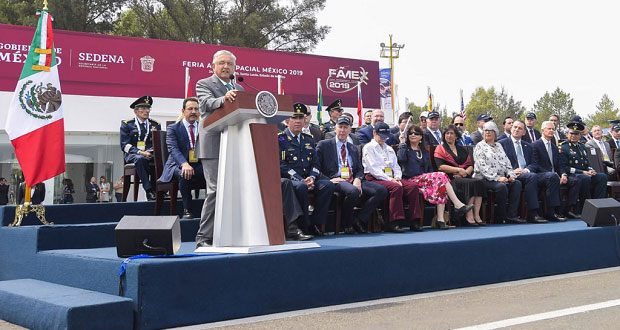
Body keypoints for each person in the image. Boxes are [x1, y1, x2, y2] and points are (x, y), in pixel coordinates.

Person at [194, 50, 245, 248]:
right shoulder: (204, 84)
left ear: (234, 68)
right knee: (214, 191)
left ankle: (229, 234)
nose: (226, 67)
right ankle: (203, 238)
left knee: (235, 190)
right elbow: (206, 104)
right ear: (213, 66)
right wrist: (225, 98)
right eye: (222, 63)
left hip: (235, 145)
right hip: (213, 144)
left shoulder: (238, 86)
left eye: (229, 64)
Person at [317, 116, 387, 234]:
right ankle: (347, 223)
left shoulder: (353, 148)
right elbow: (316, 167)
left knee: (381, 191)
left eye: (346, 128)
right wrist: (329, 179)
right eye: (340, 127)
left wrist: (358, 179)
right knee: (353, 191)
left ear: (350, 130)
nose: (343, 130)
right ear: (335, 128)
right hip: (336, 179)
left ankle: (359, 219)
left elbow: (359, 168)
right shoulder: (324, 145)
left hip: (353, 179)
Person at [397, 125, 474, 227]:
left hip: (424, 179)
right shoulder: (405, 149)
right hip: (411, 179)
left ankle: (441, 219)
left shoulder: (424, 151)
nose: (413, 135)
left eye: (416, 133)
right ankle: (457, 205)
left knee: (440, 181)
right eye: (410, 133)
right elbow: (401, 159)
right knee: (441, 176)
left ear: (421, 137)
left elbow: (429, 169)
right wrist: (402, 143)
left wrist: (431, 176)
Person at [279, 103, 335, 236]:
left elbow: (315, 163)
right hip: (290, 179)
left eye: (301, 118)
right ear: (288, 121)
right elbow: (281, 165)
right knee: (300, 187)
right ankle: (303, 225)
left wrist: (312, 177)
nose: (298, 121)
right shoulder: (280, 139)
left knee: (328, 185)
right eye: (294, 118)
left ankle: (316, 223)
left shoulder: (308, 139)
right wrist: (300, 179)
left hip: (308, 178)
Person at [362, 123, 422, 231]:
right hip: (375, 178)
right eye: (381, 136)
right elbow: (373, 169)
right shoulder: (368, 148)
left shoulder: (389, 148)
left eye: (385, 136)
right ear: (374, 133)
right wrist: (391, 180)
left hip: (392, 177)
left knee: (412, 186)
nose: (384, 138)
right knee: (396, 187)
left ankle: (415, 220)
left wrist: (398, 177)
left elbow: (396, 166)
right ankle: (394, 221)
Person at [498, 120, 555, 223]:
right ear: (511, 129)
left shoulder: (528, 145)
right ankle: (533, 214)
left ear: (524, 132)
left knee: (552, 176)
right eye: (515, 127)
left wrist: (526, 170)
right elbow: (499, 163)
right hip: (512, 174)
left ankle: (553, 212)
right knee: (531, 177)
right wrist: (512, 171)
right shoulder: (502, 144)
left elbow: (534, 163)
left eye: (520, 128)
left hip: (527, 173)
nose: (516, 129)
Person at [158, 97, 206, 219]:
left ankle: (211, 211)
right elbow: (173, 149)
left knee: (214, 173)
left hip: (198, 163)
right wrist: (184, 163)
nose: (194, 112)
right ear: (183, 111)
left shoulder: (204, 128)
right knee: (184, 173)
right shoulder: (173, 128)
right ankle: (187, 209)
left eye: (196, 109)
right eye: (190, 109)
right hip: (177, 165)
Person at [435, 125, 485, 225]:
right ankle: (469, 215)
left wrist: (464, 173)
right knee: (471, 184)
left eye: (451, 133)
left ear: (456, 136)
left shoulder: (461, 149)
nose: (449, 135)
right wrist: (458, 170)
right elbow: (440, 167)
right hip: (449, 179)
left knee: (479, 182)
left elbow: (470, 165)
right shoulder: (440, 148)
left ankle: (477, 215)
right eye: (447, 133)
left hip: (463, 176)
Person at [473, 121, 523, 223]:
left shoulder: (499, 146)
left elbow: (507, 163)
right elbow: (482, 167)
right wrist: (497, 178)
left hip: (501, 178)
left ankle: (511, 215)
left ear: (495, 133)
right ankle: (501, 216)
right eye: (485, 130)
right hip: (484, 179)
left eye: (490, 130)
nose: (487, 132)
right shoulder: (480, 146)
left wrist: (511, 175)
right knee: (501, 187)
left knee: (516, 184)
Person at [531, 121, 580, 219]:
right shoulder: (535, 145)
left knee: (576, 180)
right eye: (549, 129)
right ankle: (552, 212)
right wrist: (552, 173)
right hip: (540, 175)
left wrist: (563, 175)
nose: (551, 131)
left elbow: (559, 165)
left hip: (554, 175)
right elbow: (535, 165)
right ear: (542, 130)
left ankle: (568, 209)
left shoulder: (554, 147)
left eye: (553, 129)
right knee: (552, 177)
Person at [560, 121, 608, 215]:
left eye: (576, 134)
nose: (573, 136)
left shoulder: (582, 147)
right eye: (571, 133)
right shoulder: (563, 147)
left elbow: (587, 163)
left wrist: (590, 169)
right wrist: (582, 172)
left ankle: (598, 206)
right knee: (585, 178)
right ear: (567, 134)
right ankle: (585, 208)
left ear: (580, 135)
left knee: (602, 177)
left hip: (584, 173)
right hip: (572, 175)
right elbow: (564, 167)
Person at [120, 95, 161, 201]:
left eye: (148, 108)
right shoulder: (127, 125)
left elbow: (157, 142)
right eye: (143, 108)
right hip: (133, 155)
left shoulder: (155, 125)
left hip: (150, 154)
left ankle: (160, 190)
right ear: (136, 111)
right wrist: (140, 152)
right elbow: (124, 145)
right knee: (140, 159)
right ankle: (149, 190)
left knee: (161, 160)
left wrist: (150, 151)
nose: (146, 111)